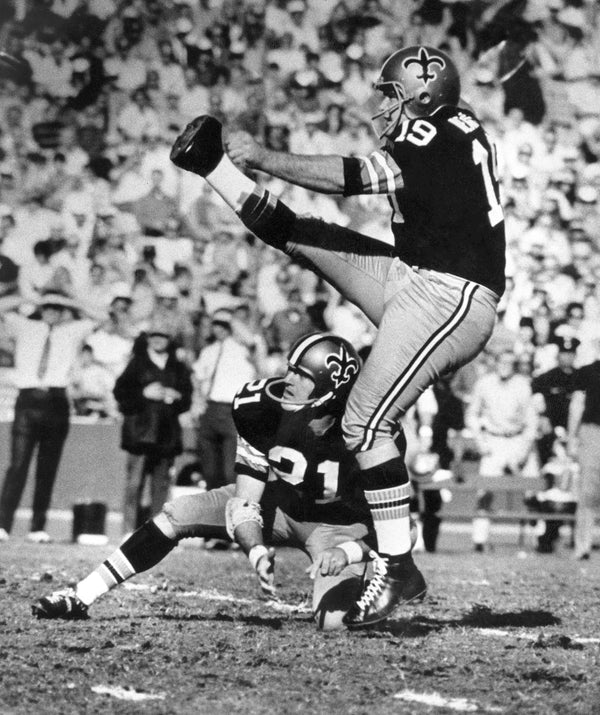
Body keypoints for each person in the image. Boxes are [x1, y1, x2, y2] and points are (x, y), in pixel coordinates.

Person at [169, 44, 505, 626]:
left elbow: (356, 177)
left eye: (393, 94)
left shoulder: (433, 132)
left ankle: (398, 566)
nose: (385, 106)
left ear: (423, 95)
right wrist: (233, 164)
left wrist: (265, 157)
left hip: (450, 294)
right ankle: (211, 167)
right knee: (301, 235)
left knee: (366, 423)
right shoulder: (452, 122)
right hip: (415, 275)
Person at [32, 333, 405, 631]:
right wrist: (255, 549)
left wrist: (349, 552)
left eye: (301, 375)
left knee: (336, 624)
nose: (287, 379)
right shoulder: (260, 408)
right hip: (282, 504)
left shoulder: (370, 434)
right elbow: (245, 502)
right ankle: (81, 595)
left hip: (338, 529)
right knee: (179, 512)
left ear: (330, 390)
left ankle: (371, 579)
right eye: (290, 368)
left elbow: (402, 531)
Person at [0, 291, 102, 543]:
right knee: (18, 465)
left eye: (57, 308)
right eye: (48, 307)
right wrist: (33, 299)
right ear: (41, 308)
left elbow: (100, 315)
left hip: (56, 401)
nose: (52, 312)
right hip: (28, 399)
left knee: (47, 468)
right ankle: (2, 524)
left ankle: (37, 527)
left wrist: (70, 300)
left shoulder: (71, 330)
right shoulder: (26, 326)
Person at [113, 318, 193, 537]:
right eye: (154, 336)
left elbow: (187, 399)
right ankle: (128, 531)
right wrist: (143, 394)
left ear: (170, 340)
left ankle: (156, 535)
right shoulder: (137, 363)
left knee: (161, 487)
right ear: (148, 339)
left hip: (166, 435)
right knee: (134, 484)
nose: (158, 340)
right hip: (139, 433)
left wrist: (175, 397)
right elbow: (120, 394)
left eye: (163, 336)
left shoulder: (178, 367)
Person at [465, 350, 539, 552]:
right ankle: (479, 540)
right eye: (501, 361)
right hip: (493, 441)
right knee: (485, 491)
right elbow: (471, 414)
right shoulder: (484, 383)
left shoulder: (522, 385)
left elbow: (531, 421)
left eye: (510, 362)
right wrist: (481, 441)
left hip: (517, 440)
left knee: (533, 489)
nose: (505, 365)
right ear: (495, 363)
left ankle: (537, 540)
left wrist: (523, 451)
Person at [567, 358, 600, 560]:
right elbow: (577, 405)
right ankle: (583, 545)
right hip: (593, 432)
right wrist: (572, 437)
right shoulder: (588, 371)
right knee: (588, 492)